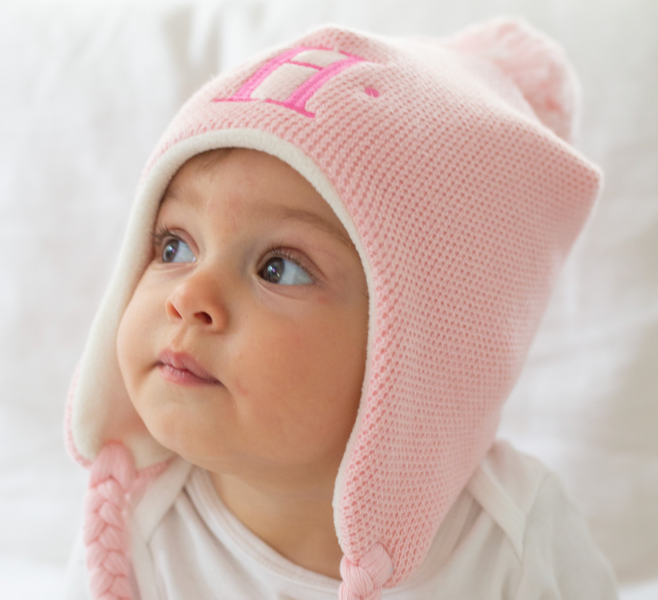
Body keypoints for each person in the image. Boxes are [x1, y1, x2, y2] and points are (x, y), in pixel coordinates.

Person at [63, 18, 619, 600]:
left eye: (279, 267)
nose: (189, 297)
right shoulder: (135, 532)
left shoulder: (507, 541)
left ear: (416, 346)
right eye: (175, 245)